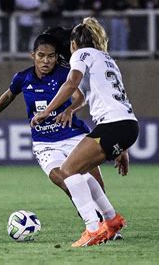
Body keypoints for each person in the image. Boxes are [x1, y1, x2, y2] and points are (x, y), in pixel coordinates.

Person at [0, 32, 125, 242]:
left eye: (51, 56)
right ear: (33, 55)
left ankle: (108, 226)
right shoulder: (23, 78)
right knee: (64, 180)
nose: (46, 61)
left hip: (74, 135)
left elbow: (80, 97)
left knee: (96, 185)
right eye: (41, 56)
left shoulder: (65, 74)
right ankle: (95, 222)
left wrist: (70, 110)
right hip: (45, 142)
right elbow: (8, 95)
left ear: (57, 57)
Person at [31, 17, 139, 247]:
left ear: (73, 44)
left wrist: (45, 112)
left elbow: (70, 84)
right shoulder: (106, 59)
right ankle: (112, 220)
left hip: (111, 126)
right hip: (127, 125)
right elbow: (90, 97)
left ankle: (92, 228)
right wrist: (123, 149)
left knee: (68, 170)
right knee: (81, 171)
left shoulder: (82, 55)